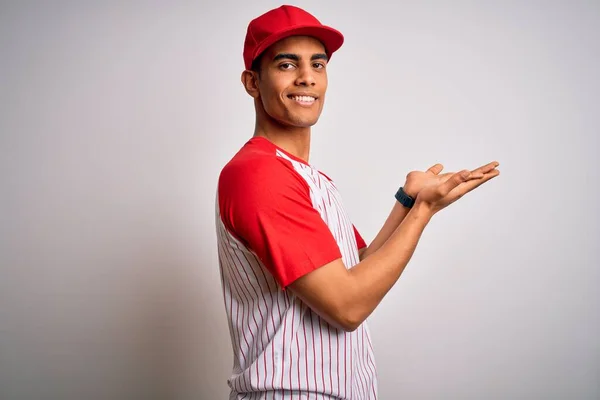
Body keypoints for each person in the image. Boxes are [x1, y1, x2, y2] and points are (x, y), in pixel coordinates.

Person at [215, 5, 500, 399]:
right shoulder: (258, 174)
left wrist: (407, 201)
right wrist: (424, 211)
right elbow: (348, 305)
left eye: (318, 64)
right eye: (286, 64)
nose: (306, 78)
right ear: (252, 82)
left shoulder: (306, 177)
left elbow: (357, 270)